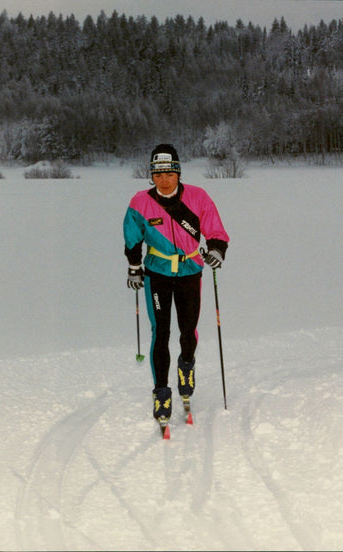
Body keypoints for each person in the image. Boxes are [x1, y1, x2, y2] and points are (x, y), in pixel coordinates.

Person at [123, 144, 229, 424]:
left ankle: (186, 365)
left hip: (190, 272)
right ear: (152, 176)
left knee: (187, 330)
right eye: (158, 174)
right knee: (160, 332)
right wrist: (134, 267)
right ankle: (161, 392)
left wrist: (216, 250)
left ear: (178, 173)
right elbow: (132, 237)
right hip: (156, 275)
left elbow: (215, 231)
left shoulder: (197, 197)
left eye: (170, 173)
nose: (164, 180)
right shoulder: (140, 203)